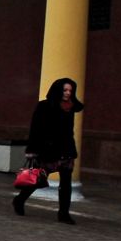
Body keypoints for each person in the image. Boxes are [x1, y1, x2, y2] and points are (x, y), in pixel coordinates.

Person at [13, 77, 83, 223]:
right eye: (65, 90)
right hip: (47, 150)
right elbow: (35, 129)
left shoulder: (70, 107)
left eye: (71, 90)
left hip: (67, 150)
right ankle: (19, 200)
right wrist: (32, 149)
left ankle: (63, 213)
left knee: (66, 183)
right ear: (58, 90)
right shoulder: (44, 106)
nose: (68, 93)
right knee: (37, 179)